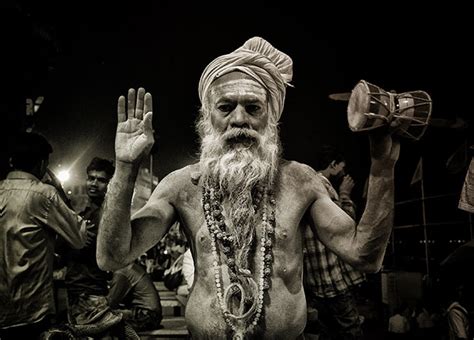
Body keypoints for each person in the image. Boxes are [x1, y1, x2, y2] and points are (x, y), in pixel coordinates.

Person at [97, 37, 400, 339]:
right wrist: (125, 167)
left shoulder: (300, 181)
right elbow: (112, 257)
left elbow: (366, 257)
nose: (239, 119)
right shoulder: (181, 187)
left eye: (253, 107)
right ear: (207, 117)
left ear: (271, 117)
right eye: (226, 107)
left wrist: (382, 167)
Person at [0, 131, 88, 339]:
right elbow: (79, 236)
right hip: (32, 309)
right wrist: (57, 188)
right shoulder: (43, 194)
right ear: (42, 164)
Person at [303, 145, 366, 339]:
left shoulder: (306, 185)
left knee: (328, 333)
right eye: (342, 168)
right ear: (333, 165)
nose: (344, 174)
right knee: (351, 331)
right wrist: (345, 194)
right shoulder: (325, 188)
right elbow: (345, 227)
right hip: (334, 281)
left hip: (317, 283)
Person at [63, 157, 129, 336]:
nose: (94, 183)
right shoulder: (87, 213)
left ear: (109, 184)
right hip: (79, 290)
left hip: (90, 291)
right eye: (91, 178)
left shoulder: (105, 216)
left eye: (101, 180)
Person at [107, 262, 163, 332]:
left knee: (103, 319)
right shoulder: (130, 267)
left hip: (145, 316)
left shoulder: (121, 273)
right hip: (152, 315)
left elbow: (111, 302)